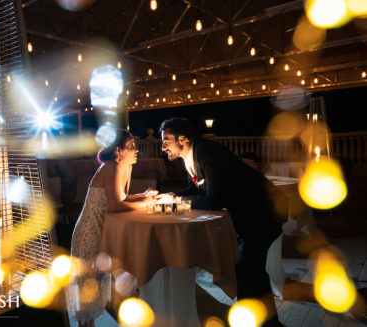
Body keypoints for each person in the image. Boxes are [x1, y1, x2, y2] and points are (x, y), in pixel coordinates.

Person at [156, 117, 286, 327]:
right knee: (248, 272)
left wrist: (176, 202)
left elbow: (214, 200)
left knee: (247, 270)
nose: (163, 147)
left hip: (262, 214)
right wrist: (169, 195)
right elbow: (197, 190)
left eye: (166, 141)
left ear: (182, 139)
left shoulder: (208, 153)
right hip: (245, 218)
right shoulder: (193, 155)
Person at [70, 129, 158, 327]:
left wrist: (143, 195)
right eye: (131, 147)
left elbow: (122, 198)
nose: (136, 151)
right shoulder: (111, 166)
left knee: (98, 288)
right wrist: (146, 204)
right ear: (118, 150)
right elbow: (115, 205)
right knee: (88, 292)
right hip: (89, 233)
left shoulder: (122, 166)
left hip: (101, 232)